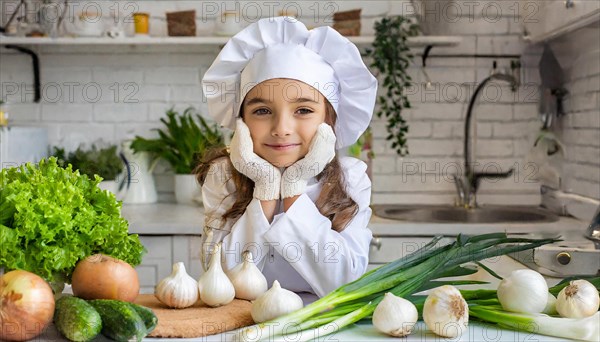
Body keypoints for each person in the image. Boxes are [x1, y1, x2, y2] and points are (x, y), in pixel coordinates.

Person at [196, 16, 378, 299]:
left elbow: (344, 282)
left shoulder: (351, 177)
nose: (281, 129)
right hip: (239, 325)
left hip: (321, 325)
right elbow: (219, 279)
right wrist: (266, 187)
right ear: (240, 120)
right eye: (262, 111)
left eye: (303, 110)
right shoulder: (223, 176)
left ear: (330, 121)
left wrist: (293, 186)